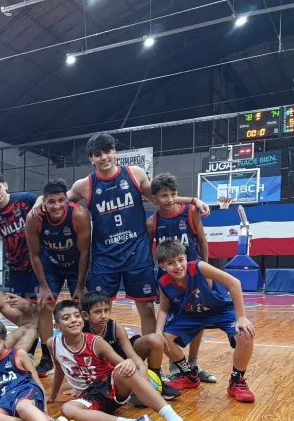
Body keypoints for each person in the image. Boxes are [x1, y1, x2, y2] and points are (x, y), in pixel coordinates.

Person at [31, 132, 209, 336]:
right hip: (105, 258)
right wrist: (38, 201)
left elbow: (161, 198)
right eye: (98, 154)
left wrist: (193, 200)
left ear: (115, 152)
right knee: (96, 310)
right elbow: (57, 199)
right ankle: (98, 353)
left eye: (107, 151)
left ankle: (150, 356)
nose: (103, 157)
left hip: (137, 255)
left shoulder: (135, 173)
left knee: (147, 309)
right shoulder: (85, 185)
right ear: (91, 159)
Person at [48, 299, 198, 421]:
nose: (73, 320)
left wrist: (130, 363)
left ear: (82, 319)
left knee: (123, 370)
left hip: (109, 387)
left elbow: (121, 363)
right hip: (88, 397)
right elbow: (59, 369)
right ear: (57, 326)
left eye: (76, 316)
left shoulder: (96, 342)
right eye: (66, 318)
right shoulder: (52, 343)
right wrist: (52, 396)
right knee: (67, 409)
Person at [155, 239, 256, 403]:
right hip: (191, 314)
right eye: (171, 263)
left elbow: (234, 283)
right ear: (162, 266)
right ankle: (189, 375)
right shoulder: (163, 283)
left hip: (220, 310)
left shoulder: (199, 267)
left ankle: (237, 381)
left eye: (180, 260)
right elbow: (164, 309)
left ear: (186, 258)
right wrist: (158, 332)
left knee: (246, 333)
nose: (178, 266)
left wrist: (241, 317)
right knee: (163, 339)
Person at [147, 172, 216, 383]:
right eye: (164, 195)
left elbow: (202, 241)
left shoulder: (191, 211)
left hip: (194, 275)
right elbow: (150, 252)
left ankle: (194, 363)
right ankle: (177, 367)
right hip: (168, 278)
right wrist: (153, 279)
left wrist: (206, 271)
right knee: (171, 322)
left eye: (173, 194)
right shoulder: (152, 222)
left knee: (198, 317)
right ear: (155, 198)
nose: (169, 199)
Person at [0, 171, 52, 373]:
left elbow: (41, 198)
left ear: (5, 185)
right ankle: (30, 352)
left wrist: (39, 203)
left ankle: (47, 357)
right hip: (16, 269)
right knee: (24, 312)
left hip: (37, 266)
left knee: (41, 310)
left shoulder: (25, 199)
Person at [26, 178, 91, 362]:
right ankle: (47, 357)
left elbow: (85, 253)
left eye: (61, 200)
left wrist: (80, 286)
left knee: (83, 305)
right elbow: (34, 255)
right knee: (45, 305)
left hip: (76, 265)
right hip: (52, 266)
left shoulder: (79, 214)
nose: (57, 206)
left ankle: (86, 353)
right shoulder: (34, 218)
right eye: (51, 201)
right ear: (44, 202)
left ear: (66, 199)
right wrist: (43, 287)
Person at [79, 291, 180, 401]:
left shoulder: (116, 328)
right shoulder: (81, 331)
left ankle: (157, 381)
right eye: (97, 312)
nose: (103, 316)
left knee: (156, 339)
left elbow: (131, 355)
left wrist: (142, 368)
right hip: (100, 369)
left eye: (106, 310)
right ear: (85, 315)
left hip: (123, 362)